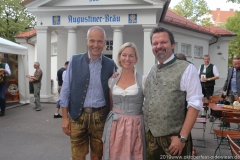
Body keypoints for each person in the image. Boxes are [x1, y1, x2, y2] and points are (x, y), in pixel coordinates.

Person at [144, 27, 203, 159]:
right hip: (151, 139)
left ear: (172, 45)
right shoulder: (152, 70)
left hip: (174, 140)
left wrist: (182, 138)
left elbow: (195, 104)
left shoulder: (187, 68)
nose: (159, 46)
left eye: (163, 42)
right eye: (155, 43)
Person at [59, 26, 115, 160]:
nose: (96, 45)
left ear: (105, 43)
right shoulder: (74, 60)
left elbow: (112, 92)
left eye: (100, 41)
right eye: (92, 41)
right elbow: (65, 89)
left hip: (101, 116)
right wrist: (65, 118)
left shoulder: (110, 64)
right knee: (78, 156)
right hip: (77, 115)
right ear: (87, 41)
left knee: (97, 155)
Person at [102, 42, 145, 160]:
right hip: (115, 125)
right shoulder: (112, 80)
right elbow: (111, 104)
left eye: (131, 55)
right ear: (119, 57)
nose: (127, 59)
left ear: (136, 58)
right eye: (124, 55)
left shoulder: (143, 81)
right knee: (114, 155)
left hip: (135, 126)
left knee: (134, 155)